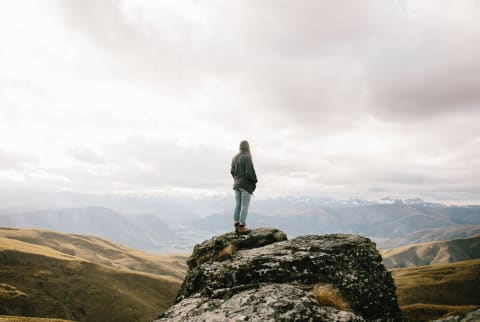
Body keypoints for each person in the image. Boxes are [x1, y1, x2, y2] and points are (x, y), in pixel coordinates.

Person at [231, 140, 257, 234]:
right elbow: (250, 172)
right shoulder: (247, 157)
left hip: (236, 185)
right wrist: (254, 181)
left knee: (237, 205)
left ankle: (236, 225)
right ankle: (242, 227)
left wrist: (236, 179)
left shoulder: (234, 158)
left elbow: (232, 171)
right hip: (245, 185)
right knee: (244, 207)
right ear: (247, 147)